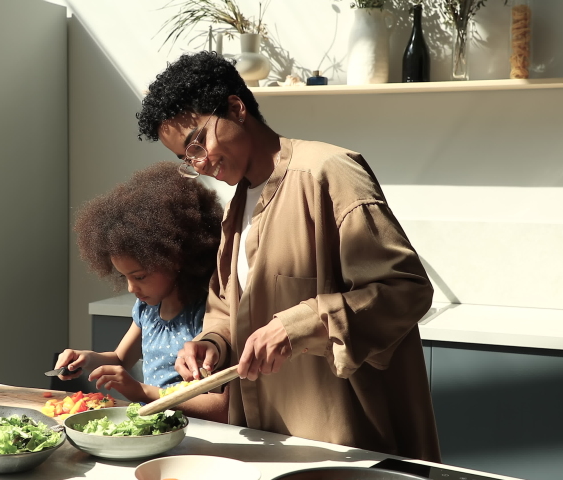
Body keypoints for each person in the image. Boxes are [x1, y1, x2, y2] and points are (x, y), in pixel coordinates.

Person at [135, 51, 441, 461]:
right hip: (268, 444)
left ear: (236, 108)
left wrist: (298, 324)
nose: (200, 164)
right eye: (186, 158)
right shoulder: (236, 209)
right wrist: (212, 342)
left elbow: (406, 290)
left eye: (197, 143)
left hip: (343, 448)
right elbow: (226, 306)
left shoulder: (329, 173)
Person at [55, 161, 228, 422]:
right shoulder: (147, 310)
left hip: (192, 430)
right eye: (124, 276)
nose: (131, 288)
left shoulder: (207, 317)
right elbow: (119, 359)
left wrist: (142, 392)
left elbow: (219, 406)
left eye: (139, 277)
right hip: (155, 426)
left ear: (175, 259)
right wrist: (86, 359)